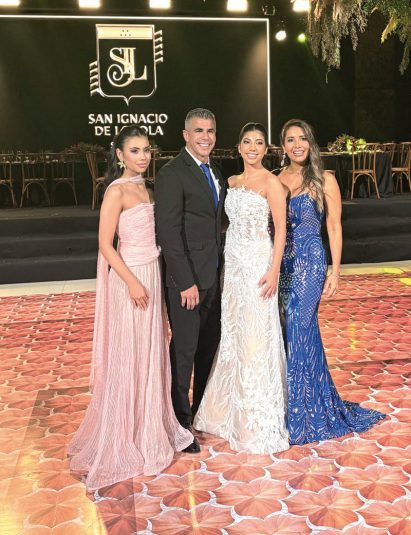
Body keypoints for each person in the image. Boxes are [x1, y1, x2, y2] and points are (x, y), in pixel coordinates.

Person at [68, 126, 193, 490]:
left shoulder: (148, 189)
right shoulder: (116, 191)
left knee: (149, 352)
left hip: (152, 274)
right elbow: (105, 245)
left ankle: (147, 428)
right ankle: (124, 433)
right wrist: (132, 282)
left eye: (146, 150)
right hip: (130, 279)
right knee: (129, 354)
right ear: (120, 155)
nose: (143, 156)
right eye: (135, 150)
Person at [278, 118, 386, 445]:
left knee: (299, 324)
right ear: (283, 146)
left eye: (302, 138)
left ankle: (305, 413)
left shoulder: (325, 179)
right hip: (283, 263)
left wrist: (335, 271)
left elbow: (335, 227)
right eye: (290, 139)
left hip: (311, 262)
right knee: (289, 330)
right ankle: (301, 402)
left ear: (310, 143)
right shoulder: (276, 179)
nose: (297, 145)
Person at [194, 123, 290, 454]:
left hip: (259, 267)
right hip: (233, 269)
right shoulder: (232, 182)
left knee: (256, 334)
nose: (252, 147)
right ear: (238, 147)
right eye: (247, 142)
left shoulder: (272, 183)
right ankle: (226, 412)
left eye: (258, 143)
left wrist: (274, 270)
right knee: (233, 334)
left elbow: (280, 230)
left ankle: (255, 417)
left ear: (266, 149)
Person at [154, 108, 226, 453]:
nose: (205, 137)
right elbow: (168, 233)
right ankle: (179, 425)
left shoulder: (215, 171)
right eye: (199, 131)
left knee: (207, 350)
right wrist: (184, 281)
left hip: (213, 276)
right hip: (187, 282)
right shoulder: (171, 173)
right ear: (185, 135)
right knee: (183, 352)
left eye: (210, 131)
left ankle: (198, 414)